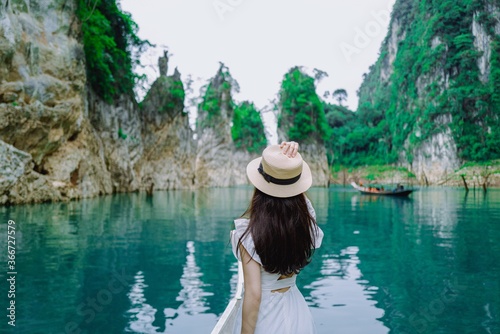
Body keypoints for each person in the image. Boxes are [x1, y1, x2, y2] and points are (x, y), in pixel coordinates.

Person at [230, 141, 324, 334]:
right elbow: (303, 201)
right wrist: (290, 165)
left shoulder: (248, 234)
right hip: (295, 310)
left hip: (266, 317)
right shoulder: (305, 225)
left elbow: (254, 295)